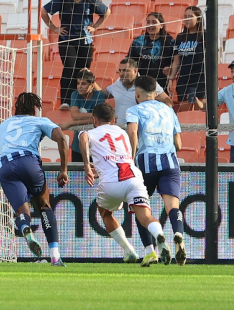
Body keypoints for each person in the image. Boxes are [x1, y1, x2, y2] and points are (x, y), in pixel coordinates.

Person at [81, 102, 170, 267]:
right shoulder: (122, 132)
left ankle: (129, 251)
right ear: (113, 120)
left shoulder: (90, 132)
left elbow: (83, 138)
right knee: (145, 217)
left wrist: (87, 165)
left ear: (94, 120)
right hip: (134, 178)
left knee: (105, 213)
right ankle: (159, 236)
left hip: (111, 183)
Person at [0, 92, 70, 265]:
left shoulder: (3, 125)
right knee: (44, 206)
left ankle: (25, 227)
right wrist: (63, 170)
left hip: (6, 166)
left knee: (22, 212)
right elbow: (62, 138)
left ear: (15, 107)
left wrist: (6, 177)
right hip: (29, 161)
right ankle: (55, 256)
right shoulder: (39, 121)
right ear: (34, 108)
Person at [125, 75, 186, 265]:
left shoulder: (134, 110)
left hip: (145, 164)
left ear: (137, 93)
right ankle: (178, 237)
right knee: (172, 207)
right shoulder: (169, 111)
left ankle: (151, 251)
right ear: (156, 92)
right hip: (170, 163)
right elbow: (179, 143)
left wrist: (131, 157)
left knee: (140, 207)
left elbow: (133, 133)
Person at [42, 0, 107, 106]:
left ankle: (81, 102)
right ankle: (66, 101)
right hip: (67, 40)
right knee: (69, 68)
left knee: (83, 71)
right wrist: (55, 28)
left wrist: (95, 27)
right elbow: (43, 11)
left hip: (85, 41)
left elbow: (106, 12)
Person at [105, 57, 170, 124]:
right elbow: (99, 94)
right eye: (120, 70)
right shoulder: (117, 84)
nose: (121, 73)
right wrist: (93, 83)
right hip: (120, 129)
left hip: (140, 128)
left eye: (125, 70)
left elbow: (168, 102)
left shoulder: (147, 83)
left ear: (135, 71)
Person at [66, 69, 109, 162]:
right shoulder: (75, 94)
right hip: (78, 146)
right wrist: (95, 116)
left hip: (96, 144)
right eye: (78, 83)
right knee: (77, 174)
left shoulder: (99, 95)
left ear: (92, 85)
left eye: (83, 84)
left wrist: (71, 123)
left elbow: (100, 118)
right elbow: (75, 115)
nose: (80, 87)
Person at [170, 5, 205, 110]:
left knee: (200, 108)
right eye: (185, 16)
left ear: (198, 18)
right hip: (184, 78)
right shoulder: (180, 37)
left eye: (190, 16)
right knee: (184, 108)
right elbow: (176, 60)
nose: (187, 19)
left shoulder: (205, 36)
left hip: (200, 77)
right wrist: (171, 79)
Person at [128, 12, 174, 87]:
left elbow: (176, 61)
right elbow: (130, 60)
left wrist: (171, 67)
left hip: (161, 83)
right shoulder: (138, 41)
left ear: (161, 25)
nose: (150, 25)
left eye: (154, 22)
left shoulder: (170, 42)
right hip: (141, 83)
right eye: (148, 22)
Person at [218, 62, 234, 164]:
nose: (233, 74)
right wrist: (198, 101)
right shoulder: (227, 91)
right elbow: (210, 104)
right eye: (232, 71)